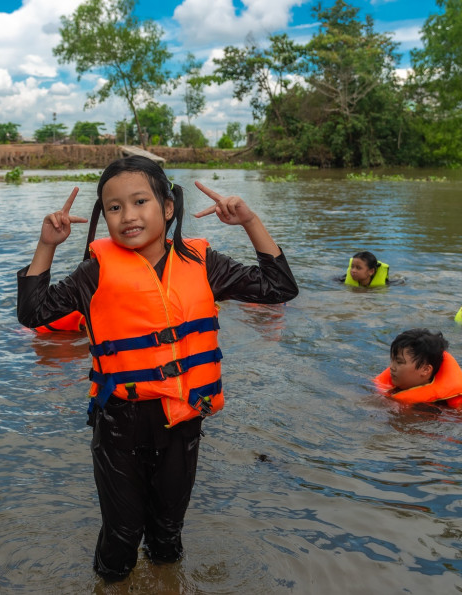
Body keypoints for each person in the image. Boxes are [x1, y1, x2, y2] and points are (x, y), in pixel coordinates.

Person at [17, 156, 298, 581]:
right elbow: (32, 312)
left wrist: (249, 222)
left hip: (182, 422)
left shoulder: (202, 263)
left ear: (168, 207)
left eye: (140, 201)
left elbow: (280, 287)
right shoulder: (93, 271)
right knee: (122, 535)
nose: (128, 216)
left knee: (168, 535)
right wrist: (47, 245)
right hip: (118, 423)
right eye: (114, 207)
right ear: (105, 216)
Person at [373, 328, 462, 408]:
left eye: (399, 362)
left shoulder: (433, 408)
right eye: (392, 360)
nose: (391, 367)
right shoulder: (392, 385)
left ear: (425, 370)